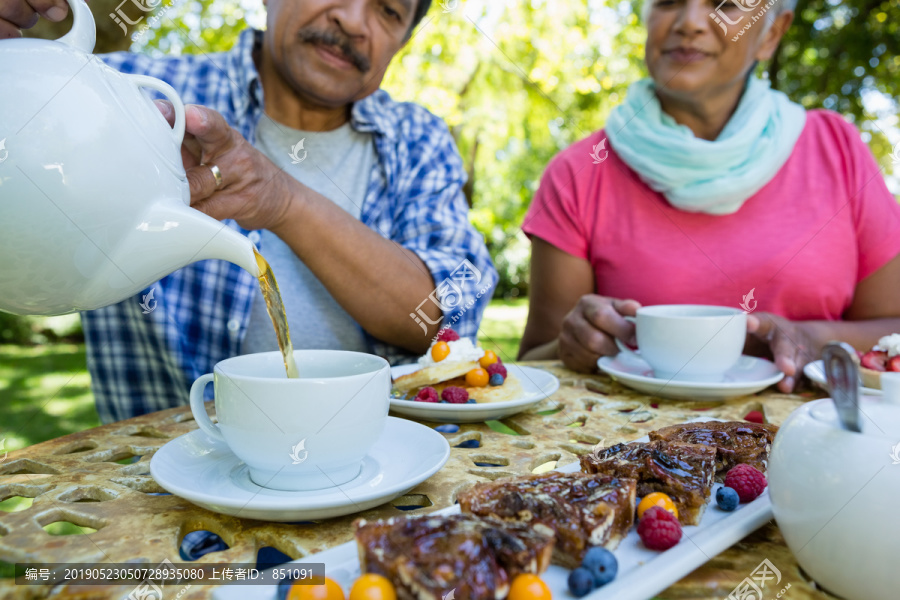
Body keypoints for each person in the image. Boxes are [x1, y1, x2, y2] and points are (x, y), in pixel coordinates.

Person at [2, 0, 497, 422]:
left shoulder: (418, 139)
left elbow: (442, 311)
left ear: (401, 42)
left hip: (373, 486)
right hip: (162, 506)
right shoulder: (134, 93)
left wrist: (282, 199)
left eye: (388, 10)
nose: (353, 19)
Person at [518, 0, 900, 393]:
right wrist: (574, 344)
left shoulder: (838, 151)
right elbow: (532, 368)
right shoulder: (579, 173)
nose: (691, 22)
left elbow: (893, 332)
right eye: (668, 2)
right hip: (629, 446)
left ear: (771, 34)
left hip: (813, 443)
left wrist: (810, 338)